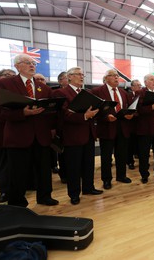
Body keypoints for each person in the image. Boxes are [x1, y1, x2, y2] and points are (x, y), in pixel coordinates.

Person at [0, 54, 58, 207]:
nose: (32, 65)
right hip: (18, 134)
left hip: (41, 135)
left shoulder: (44, 87)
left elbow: (51, 111)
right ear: (17, 66)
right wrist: (22, 113)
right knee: (17, 171)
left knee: (43, 170)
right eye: (27, 62)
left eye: (33, 63)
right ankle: (17, 201)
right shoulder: (4, 84)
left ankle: (45, 196)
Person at [52, 67, 103, 205]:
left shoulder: (86, 93)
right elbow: (63, 115)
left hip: (88, 133)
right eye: (78, 74)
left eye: (82, 74)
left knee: (89, 164)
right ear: (69, 77)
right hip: (72, 135)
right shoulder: (60, 93)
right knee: (73, 167)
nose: (81, 77)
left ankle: (88, 187)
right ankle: (74, 193)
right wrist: (85, 116)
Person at [91, 69, 133, 190]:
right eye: (113, 76)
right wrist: (105, 117)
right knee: (106, 156)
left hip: (123, 126)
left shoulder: (123, 92)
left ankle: (121, 175)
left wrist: (130, 114)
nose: (116, 78)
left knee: (122, 154)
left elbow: (127, 108)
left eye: (117, 76)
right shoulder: (97, 91)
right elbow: (94, 110)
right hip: (107, 127)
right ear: (106, 78)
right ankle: (106, 179)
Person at [0, 69, 16, 202]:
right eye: (7, 76)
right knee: (5, 164)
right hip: (1, 133)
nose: (10, 78)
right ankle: (5, 191)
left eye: (13, 76)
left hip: (18, 133)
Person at [126, 79, 141, 170]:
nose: (139, 87)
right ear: (132, 87)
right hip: (131, 124)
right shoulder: (128, 95)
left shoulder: (143, 95)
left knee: (139, 144)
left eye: (140, 85)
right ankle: (130, 161)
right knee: (130, 144)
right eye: (137, 85)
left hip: (141, 124)